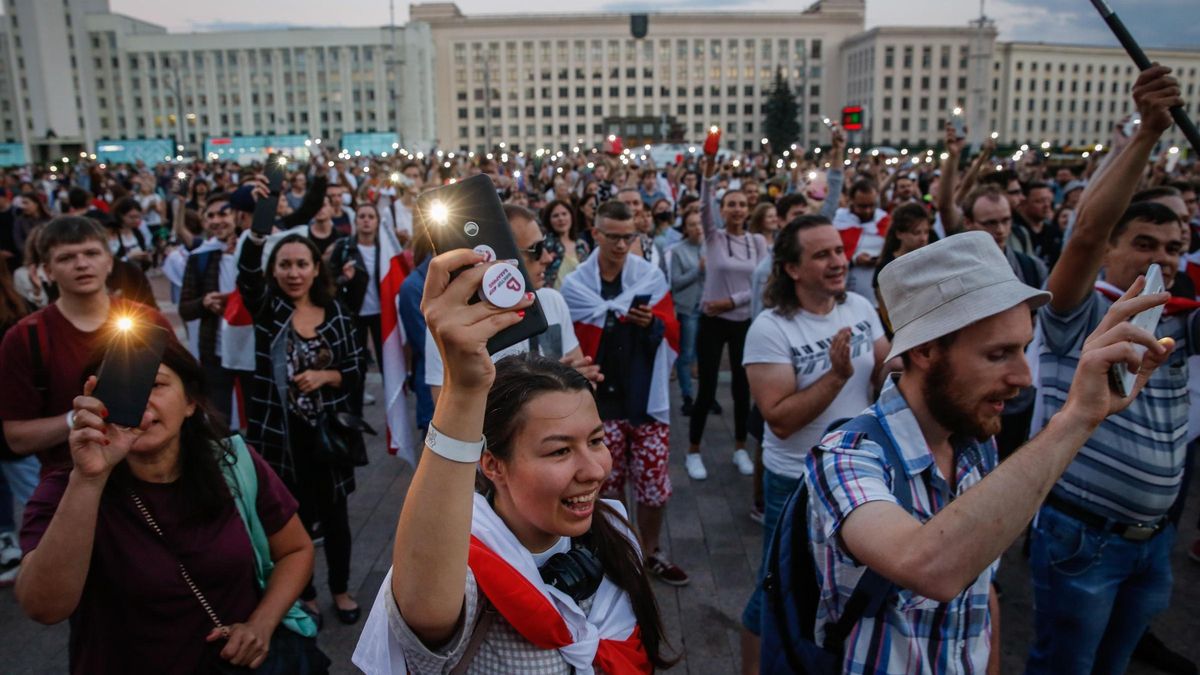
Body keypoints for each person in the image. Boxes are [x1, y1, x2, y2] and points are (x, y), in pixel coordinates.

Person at [806, 230, 1173, 674]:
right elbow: (931, 568)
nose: (1023, 376)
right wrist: (1076, 418)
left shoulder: (976, 443)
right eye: (999, 354)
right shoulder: (847, 455)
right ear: (924, 350)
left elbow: (979, 592)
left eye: (1024, 348)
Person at [352, 252, 675, 672]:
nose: (595, 470)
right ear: (492, 464)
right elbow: (426, 608)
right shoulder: (466, 573)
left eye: (595, 440)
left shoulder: (615, 534)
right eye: (559, 450)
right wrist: (464, 390)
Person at [15, 337, 320, 674]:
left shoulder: (234, 463)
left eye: (157, 384)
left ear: (190, 403)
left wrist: (261, 624)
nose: (141, 399)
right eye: (122, 386)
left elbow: (296, 550)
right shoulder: (65, 490)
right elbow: (43, 607)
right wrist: (89, 480)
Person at [1028, 65, 1193, 675]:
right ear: (1114, 249)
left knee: (1113, 666)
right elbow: (1086, 231)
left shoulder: (1183, 321)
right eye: (1145, 244)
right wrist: (1146, 135)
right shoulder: (1078, 313)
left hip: (1152, 543)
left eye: (1175, 248)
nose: (1163, 260)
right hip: (1081, 540)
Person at [739, 214, 890, 673]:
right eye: (821, 254)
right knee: (776, 592)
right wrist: (837, 375)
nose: (837, 262)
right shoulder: (771, 328)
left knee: (836, 594)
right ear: (792, 268)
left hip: (859, 476)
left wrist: (902, 365)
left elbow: (884, 371)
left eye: (839, 252)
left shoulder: (860, 309)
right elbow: (780, 419)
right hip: (796, 483)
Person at [237, 230, 365, 626]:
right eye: (285, 265)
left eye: (301, 264)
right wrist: (257, 236)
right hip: (281, 437)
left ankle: (340, 591)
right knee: (293, 522)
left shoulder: (337, 311)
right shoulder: (267, 310)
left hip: (328, 437)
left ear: (315, 269)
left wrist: (326, 376)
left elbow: (356, 369)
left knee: (336, 519)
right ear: (274, 271)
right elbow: (246, 276)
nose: (294, 273)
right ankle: (304, 593)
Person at [561, 199, 689, 586]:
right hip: (599, 404)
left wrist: (650, 324)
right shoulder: (576, 285)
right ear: (595, 234)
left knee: (653, 486)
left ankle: (649, 552)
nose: (621, 244)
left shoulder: (649, 276)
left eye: (628, 237)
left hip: (644, 402)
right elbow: (571, 344)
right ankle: (615, 554)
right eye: (613, 237)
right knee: (605, 487)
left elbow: (671, 332)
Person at [0, 217, 170, 477]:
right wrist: (76, 418)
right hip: (68, 483)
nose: (82, 264)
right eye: (66, 258)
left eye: (91, 253)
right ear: (47, 270)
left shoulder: (149, 323)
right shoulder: (25, 338)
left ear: (109, 261)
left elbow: (185, 396)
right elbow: (17, 437)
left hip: (150, 474)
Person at [425, 204, 600, 403]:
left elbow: (579, 373)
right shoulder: (453, 324)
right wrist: (545, 387)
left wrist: (575, 381)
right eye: (536, 249)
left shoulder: (552, 300)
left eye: (547, 245)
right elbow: (446, 412)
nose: (547, 257)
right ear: (495, 258)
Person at [686, 153, 770, 481]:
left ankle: (739, 448)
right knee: (706, 387)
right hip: (712, 321)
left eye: (741, 204)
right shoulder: (714, 237)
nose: (736, 209)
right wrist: (708, 172)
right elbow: (704, 203)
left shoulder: (757, 241)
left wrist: (730, 301)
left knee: (740, 386)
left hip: (743, 322)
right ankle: (693, 450)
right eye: (730, 204)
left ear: (748, 209)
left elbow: (761, 282)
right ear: (722, 211)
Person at [178, 192, 241, 425]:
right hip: (215, 349)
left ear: (236, 215)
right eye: (211, 215)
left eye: (223, 213)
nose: (217, 220)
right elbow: (185, 308)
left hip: (250, 348)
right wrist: (204, 303)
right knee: (219, 417)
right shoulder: (201, 257)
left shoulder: (254, 250)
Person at [329, 203, 388, 412]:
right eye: (362, 216)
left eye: (370, 216)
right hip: (354, 315)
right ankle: (355, 412)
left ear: (377, 221)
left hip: (382, 315)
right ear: (355, 222)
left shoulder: (385, 249)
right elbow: (328, 282)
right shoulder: (344, 247)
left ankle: (393, 411)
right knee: (357, 366)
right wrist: (344, 278)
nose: (366, 220)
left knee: (387, 364)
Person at [872, 202, 932, 327]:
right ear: (899, 233)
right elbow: (887, 314)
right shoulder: (886, 267)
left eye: (926, 232)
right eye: (916, 233)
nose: (923, 238)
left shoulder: (929, 259)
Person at [670, 209, 705, 416]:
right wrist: (697, 270)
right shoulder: (678, 251)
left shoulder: (710, 248)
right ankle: (687, 395)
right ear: (685, 228)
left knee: (705, 355)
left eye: (699, 224)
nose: (697, 228)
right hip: (689, 309)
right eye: (692, 224)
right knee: (687, 353)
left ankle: (706, 398)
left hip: (708, 309)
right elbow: (676, 282)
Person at [832, 179, 887, 306]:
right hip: (845, 291)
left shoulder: (884, 221)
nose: (868, 211)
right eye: (862, 206)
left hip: (878, 295)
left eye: (872, 205)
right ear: (850, 201)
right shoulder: (838, 222)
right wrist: (854, 260)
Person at [541, 199, 590, 290]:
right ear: (549, 220)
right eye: (556, 216)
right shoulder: (544, 246)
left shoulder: (582, 245)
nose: (561, 218)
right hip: (553, 299)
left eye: (564, 214)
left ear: (571, 216)